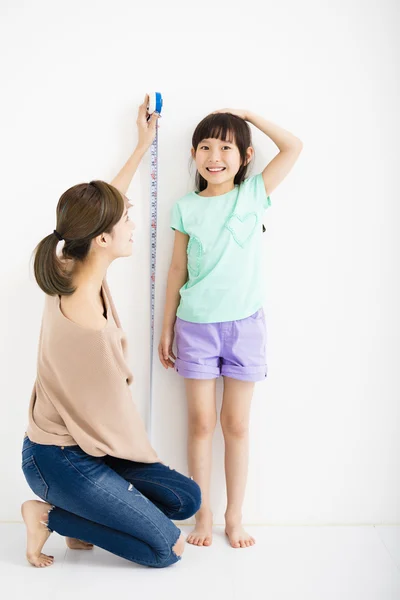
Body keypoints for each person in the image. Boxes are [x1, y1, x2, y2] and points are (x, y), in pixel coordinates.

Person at [21, 96, 201, 569]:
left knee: (185, 499)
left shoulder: (68, 264)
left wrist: (142, 146)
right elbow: (115, 426)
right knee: (167, 549)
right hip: (59, 459)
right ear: (103, 240)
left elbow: (101, 211)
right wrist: (145, 460)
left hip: (88, 446)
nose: (133, 224)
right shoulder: (92, 334)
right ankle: (50, 515)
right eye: (126, 221)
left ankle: (90, 506)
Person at [158, 108, 302, 549]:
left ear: (245, 156)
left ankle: (233, 518)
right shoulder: (185, 207)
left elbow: (294, 146)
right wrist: (166, 329)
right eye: (205, 147)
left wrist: (250, 117)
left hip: (245, 326)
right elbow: (177, 267)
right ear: (193, 154)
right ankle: (202, 518)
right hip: (195, 326)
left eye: (226, 147)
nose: (214, 156)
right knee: (201, 423)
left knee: (236, 424)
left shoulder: (254, 194)